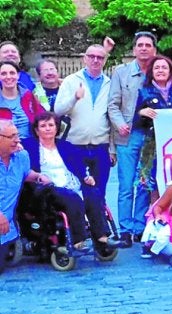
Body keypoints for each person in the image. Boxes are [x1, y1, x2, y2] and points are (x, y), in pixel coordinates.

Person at [21, 112, 122, 252]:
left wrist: (86, 176)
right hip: (46, 188)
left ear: (57, 128)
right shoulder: (28, 145)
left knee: (93, 193)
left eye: (51, 125)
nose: (48, 128)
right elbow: (14, 149)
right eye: (43, 126)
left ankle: (102, 236)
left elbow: (78, 165)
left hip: (70, 182)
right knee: (71, 197)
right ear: (37, 130)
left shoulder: (65, 145)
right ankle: (78, 240)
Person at [108, 31, 158, 246]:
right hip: (127, 136)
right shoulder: (122, 73)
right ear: (134, 49)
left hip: (151, 136)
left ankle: (140, 226)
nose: (144, 48)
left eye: (148, 45)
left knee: (145, 183)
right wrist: (120, 124)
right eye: (140, 45)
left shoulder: (159, 70)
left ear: (154, 49)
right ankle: (126, 229)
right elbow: (112, 104)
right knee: (126, 184)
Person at [54, 44, 113, 201]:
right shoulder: (71, 81)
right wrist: (74, 98)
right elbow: (58, 110)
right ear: (84, 59)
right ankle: (81, 225)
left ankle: (99, 225)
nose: (95, 60)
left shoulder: (110, 83)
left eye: (100, 57)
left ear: (105, 60)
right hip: (74, 145)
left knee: (100, 193)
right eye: (91, 56)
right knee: (77, 192)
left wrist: (112, 149)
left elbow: (112, 117)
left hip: (101, 146)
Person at [0, 116, 51, 274]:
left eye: (17, 135)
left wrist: (37, 176)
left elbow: (25, 173)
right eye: (12, 137)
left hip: (6, 231)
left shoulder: (21, 156)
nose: (17, 140)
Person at [133, 55, 172, 198]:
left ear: (170, 71)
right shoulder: (144, 92)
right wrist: (141, 112)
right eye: (156, 67)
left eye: (164, 67)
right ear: (151, 72)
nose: (160, 70)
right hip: (152, 147)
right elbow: (135, 121)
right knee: (151, 183)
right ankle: (154, 217)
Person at [0, 61, 44, 138]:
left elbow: (42, 118)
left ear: (18, 75)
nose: (8, 77)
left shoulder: (29, 96)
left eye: (12, 73)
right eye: (3, 74)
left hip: (30, 144)